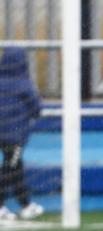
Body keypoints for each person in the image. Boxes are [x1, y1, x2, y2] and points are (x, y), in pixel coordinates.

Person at [0, 47, 44, 221]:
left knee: (15, 168)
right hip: (14, 137)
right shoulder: (23, 85)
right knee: (11, 168)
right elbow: (36, 109)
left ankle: (25, 204)